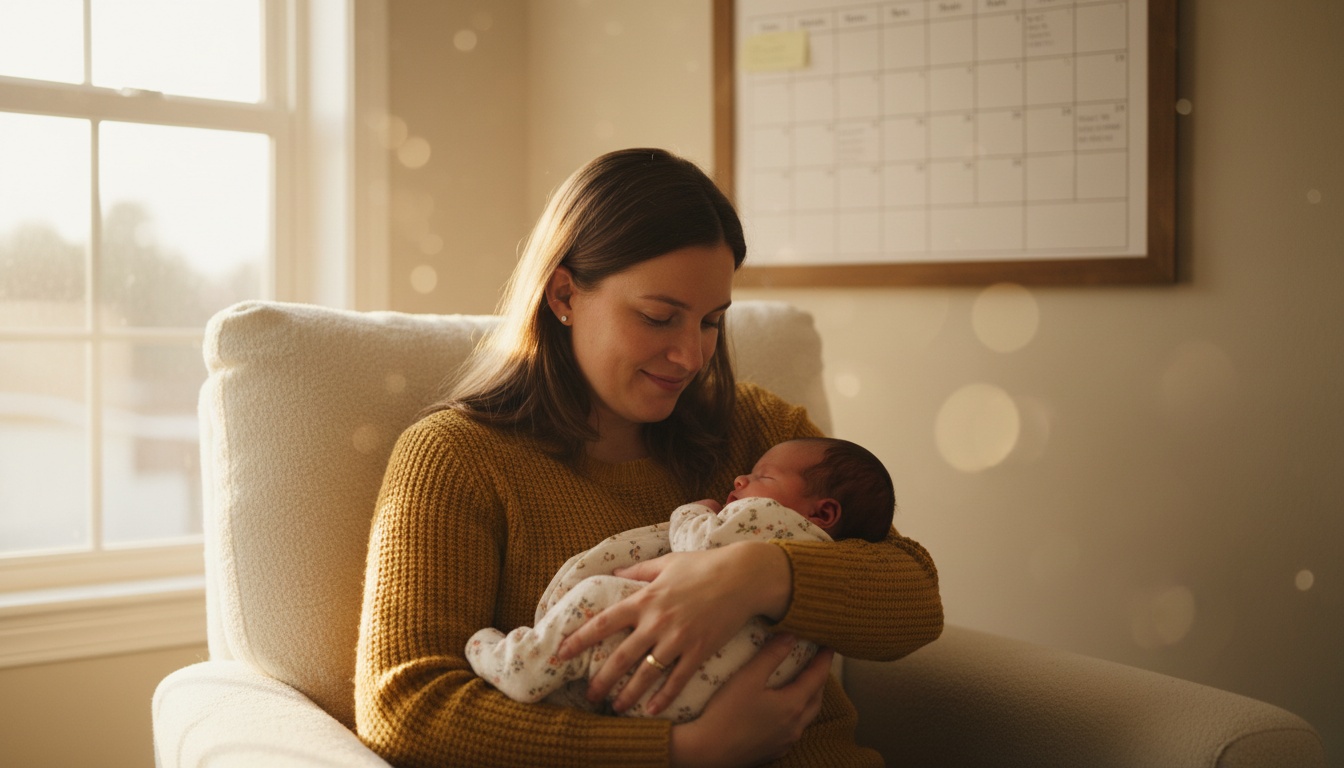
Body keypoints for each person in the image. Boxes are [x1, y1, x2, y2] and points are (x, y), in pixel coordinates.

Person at [355, 147, 943, 768]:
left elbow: (914, 602)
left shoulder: (763, 432)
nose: (691, 356)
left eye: (712, 322)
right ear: (564, 295)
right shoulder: (459, 458)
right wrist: (678, 751)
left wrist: (751, 577)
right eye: (659, 317)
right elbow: (405, 708)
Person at [465, 437, 896, 724]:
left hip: (680, 673)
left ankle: (519, 665)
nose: (740, 479)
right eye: (658, 316)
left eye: (762, 477)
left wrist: (692, 512)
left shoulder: (772, 521)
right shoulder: (834, 551)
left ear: (822, 514)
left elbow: (700, 546)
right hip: (698, 701)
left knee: (598, 597)